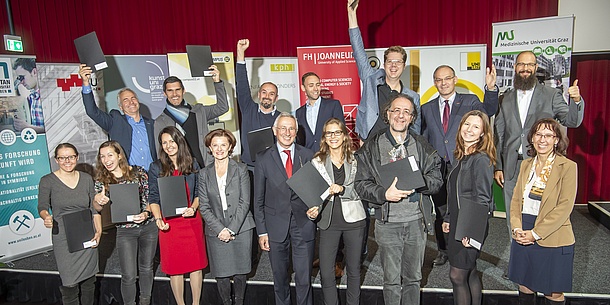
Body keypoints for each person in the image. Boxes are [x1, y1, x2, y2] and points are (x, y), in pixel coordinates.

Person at [355, 94, 442, 305]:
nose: (400, 116)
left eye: (406, 112)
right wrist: (383, 194)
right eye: (396, 110)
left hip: (416, 222)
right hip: (387, 224)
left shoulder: (422, 144)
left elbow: (437, 179)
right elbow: (360, 184)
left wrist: (417, 182)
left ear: (412, 118)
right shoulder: (372, 146)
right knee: (391, 280)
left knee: (414, 278)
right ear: (387, 114)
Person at [494, 51, 584, 234]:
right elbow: (500, 134)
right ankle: (517, 252)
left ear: (535, 68)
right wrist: (498, 165)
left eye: (529, 65)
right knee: (514, 215)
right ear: (515, 67)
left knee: (539, 212)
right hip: (512, 166)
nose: (525, 68)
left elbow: (571, 121)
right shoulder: (506, 97)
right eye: (521, 64)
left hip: (540, 165)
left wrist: (576, 100)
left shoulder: (551, 95)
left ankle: (537, 251)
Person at [421, 64, 499, 266]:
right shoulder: (426, 108)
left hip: (462, 164)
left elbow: (489, 111)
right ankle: (443, 249)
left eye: (447, 78)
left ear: (455, 80)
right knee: (440, 211)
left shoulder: (470, 101)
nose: (443, 83)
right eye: (438, 79)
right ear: (434, 82)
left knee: (464, 205)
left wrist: (490, 90)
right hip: (438, 168)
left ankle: (467, 241)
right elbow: (424, 138)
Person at [507, 118, 577, 305]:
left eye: (548, 135)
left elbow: (565, 206)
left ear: (556, 139)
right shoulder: (526, 164)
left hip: (552, 235)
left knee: (552, 292)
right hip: (523, 230)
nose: (542, 139)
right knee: (525, 285)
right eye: (538, 134)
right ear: (532, 138)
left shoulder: (568, 167)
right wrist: (517, 229)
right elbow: (515, 201)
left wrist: (535, 234)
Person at [253, 112, 315, 305]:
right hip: (274, 226)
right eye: (283, 128)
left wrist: (316, 208)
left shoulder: (308, 155)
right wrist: (262, 231)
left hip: (303, 224)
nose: (287, 133)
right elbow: (258, 198)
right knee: (280, 279)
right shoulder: (262, 158)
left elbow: (315, 191)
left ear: (296, 132)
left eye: (291, 129)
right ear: (274, 131)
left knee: (304, 279)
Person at [305, 118, 366, 305]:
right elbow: (312, 191)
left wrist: (343, 189)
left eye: (337, 132)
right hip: (328, 220)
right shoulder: (317, 161)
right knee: (326, 270)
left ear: (344, 135)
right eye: (329, 133)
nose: (333, 137)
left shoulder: (355, 159)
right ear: (324, 137)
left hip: (354, 220)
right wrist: (311, 209)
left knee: (354, 270)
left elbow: (362, 188)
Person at [93, 141, 158, 305]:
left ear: (119, 155)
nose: (106, 160)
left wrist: (146, 213)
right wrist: (99, 200)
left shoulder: (139, 173)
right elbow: (96, 206)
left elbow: (151, 197)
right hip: (125, 232)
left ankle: (145, 301)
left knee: (146, 268)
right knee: (128, 274)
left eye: (110, 155)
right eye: (102, 157)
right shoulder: (103, 180)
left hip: (148, 228)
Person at [149, 126, 207, 305]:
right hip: (169, 225)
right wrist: (158, 219)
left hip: (191, 221)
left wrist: (194, 208)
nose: (168, 146)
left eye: (171, 141)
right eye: (164, 143)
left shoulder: (193, 163)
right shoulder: (156, 167)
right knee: (175, 268)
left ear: (179, 142)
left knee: (195, 267)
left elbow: (199, 192)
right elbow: (153, 197)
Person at [441, 110, 495, 305]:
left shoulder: (480, 159)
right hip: (457, 221)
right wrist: (448, 217)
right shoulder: (461, 156)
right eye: (467, 124)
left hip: (470, 225)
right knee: (469, 272)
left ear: (483, 133)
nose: (469, 130)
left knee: (457, 275)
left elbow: (482, 199)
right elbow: (454, 193)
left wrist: (471, 234)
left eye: (476, 127)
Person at [38, 143, 101, 305]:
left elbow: (93, 209)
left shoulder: (86, 179)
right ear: (56, 160)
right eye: (62, 157)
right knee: (69, 285)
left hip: (87, 233)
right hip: (63, 238)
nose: (67, 161)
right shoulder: (47, 181)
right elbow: (42, 206)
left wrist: (99, 232)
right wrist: (46, 216)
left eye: (71, 157)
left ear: (77, 157)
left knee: (89, 283)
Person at [347, 0, 421, 139]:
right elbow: (358, 50)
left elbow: (416, 131)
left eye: (398, 62)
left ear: (403, 66)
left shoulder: (413, 97)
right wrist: (351, 14)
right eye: (390, 61)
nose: (393, 65)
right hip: (369, 146)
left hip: (397, 150)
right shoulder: (371, 79)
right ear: (384, 64)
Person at [199, 129, 255, 305]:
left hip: (241, 228)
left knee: (240, 272)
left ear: (230, 146)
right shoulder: (203, 173)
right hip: (216, 231)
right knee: (221, 274)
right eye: (215, 145)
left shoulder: (241, 169)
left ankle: (239, 301)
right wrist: (220, 229)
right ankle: (226, 302)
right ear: (209, 147)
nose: (219, 149)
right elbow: (204, 206)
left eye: (223, 145)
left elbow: (245, 202)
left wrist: (231, 229)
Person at [79, 65, 156, 170]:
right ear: (120, 107)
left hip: (153, 177)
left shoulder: (151, 123)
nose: (131, 102)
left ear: (138, 102)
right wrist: (86, 83)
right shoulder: (115, 121)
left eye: (133, 98)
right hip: (129, 178)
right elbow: (92, 111)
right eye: (125, 100)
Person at [154, 69, 229, 168]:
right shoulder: (160, 121)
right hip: (181, 171)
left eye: (177, 90)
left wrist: (217, 82)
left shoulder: (198, 111)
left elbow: (222, 107)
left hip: (204, 166)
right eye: (170, 91)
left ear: (183, 91)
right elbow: (161, 153)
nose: (174, 94)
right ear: (164, 93)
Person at [235, 39, 281, 169]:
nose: (267, 96)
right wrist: (240, 53)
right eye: (264, 93)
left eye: (271, 94)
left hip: (273, 168)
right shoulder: (249, 109)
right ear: (259, 94)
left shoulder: (282, 118)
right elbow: (242, 84)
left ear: (276, 98)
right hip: (250, 168)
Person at [295, 72, 345, 152]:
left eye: (318, 85)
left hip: (329, 155)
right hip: (308, 158)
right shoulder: (299, 112)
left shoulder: (333, 105)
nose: (315, 89)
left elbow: (341, 132)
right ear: (303, 88)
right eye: (311, 85)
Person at [13, 58, 44, 133]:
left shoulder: (48, 95)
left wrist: (28, 128)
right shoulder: (32, 97)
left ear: (34, 72)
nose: (21, 82)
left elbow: (56, 128)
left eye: (23, 77)